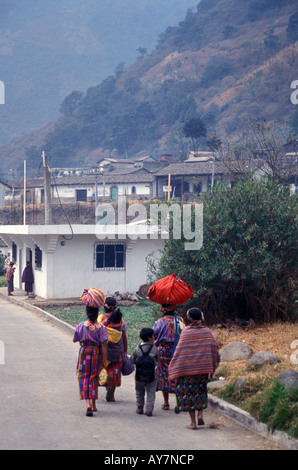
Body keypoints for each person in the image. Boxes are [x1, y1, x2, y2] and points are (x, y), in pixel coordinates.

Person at [168, 307, 220, 430]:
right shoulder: (206, 331)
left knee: (189, 394)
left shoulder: (186, 332)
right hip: (202, 370)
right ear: (201, 318)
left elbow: (180, 352)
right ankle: (200, 414)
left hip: (187, 371)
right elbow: (214, 348)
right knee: (200, 391)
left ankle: (193, 423)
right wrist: (211, 364)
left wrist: (173, 366)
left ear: (189, 319)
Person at [73, 288, 108, 416]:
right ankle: (93, 405)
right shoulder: (101, 327)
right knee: (94, 377)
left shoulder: (81, 326)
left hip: (83, 353)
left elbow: (75, 338)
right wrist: (104, 359)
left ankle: (87, 403)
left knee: (84, 377)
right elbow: (104, 344)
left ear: (87, 313)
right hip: (95, 353)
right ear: (97, 312)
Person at [153, 303, 186, 411]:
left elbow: (154, 336)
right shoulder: (180, 321)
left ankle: (166, 403)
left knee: (163, 375)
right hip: (178, 351)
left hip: (163, 351)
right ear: (174, 309)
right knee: (178, 374)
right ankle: (179, 402)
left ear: (163, 310)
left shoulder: (159, 322)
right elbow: (184, 334)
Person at [98, 296, 128, 402]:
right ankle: (112, 392)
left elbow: (97, 332)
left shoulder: (101, 318)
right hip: (117, 349)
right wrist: (125, 350)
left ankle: (107, 387)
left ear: (104, 306)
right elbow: (124, 335)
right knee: (115, 370)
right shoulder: (120, 320)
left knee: (105, 368)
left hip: (104, 348)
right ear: (115, 307)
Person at [130, 328, 159, 417]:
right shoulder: (154, 349)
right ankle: (149, 409)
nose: (154, 337)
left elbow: (132, 359)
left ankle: (139, 407)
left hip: (139, 374)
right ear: (150, 338)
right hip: (151, 374)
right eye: (153, 336)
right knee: (151, 391)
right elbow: (157, 360)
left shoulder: (137, 348)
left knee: (139, 390)